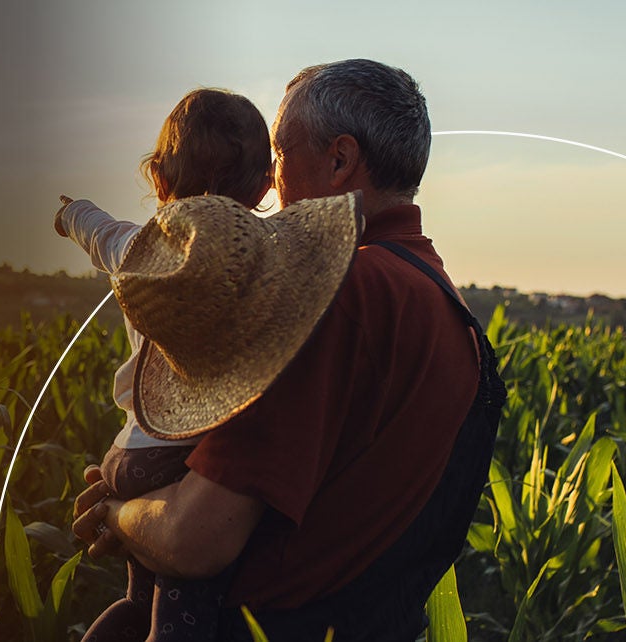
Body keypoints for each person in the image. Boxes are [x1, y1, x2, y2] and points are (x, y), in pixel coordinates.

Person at [71, 59, 505, 641]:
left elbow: (197, 538)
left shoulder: (333, 295)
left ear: (339, 160)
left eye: (280, 152)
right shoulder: (444, 302)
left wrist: (120, 516)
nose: (270, 185)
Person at [54, 87, 275, 642]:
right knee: (180, 624)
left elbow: (95, 228)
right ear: (267, 184)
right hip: (184, 462)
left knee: (137, 595)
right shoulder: (265, 263)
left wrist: (69, 213)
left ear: (158, 178)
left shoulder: (134, 250)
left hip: (130, 453)